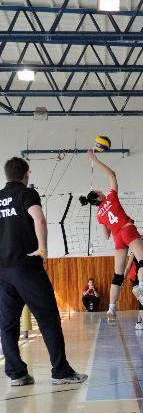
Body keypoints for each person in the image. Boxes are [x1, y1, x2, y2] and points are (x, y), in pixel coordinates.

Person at [0, 157, 87, 386]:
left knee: (7, 323)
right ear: (26, 174)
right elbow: (39, 219)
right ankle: (61, 372)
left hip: (3, 271)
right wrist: (42, 249)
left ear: (7, 175)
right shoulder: (26, 193)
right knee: (48, 317)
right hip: (26, 267)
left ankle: (16, 374)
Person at [80, 150, 143, 322]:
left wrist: (107, 221)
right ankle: (141, 288)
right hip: (127, 229)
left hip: (117, 238)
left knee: (118, 276)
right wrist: (95, 160)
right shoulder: (111, 197)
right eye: (99, 191)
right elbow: (112, 174)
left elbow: (105, 236)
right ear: (99, 196)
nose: (101, 190)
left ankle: (111, 308)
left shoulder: (99, 214)